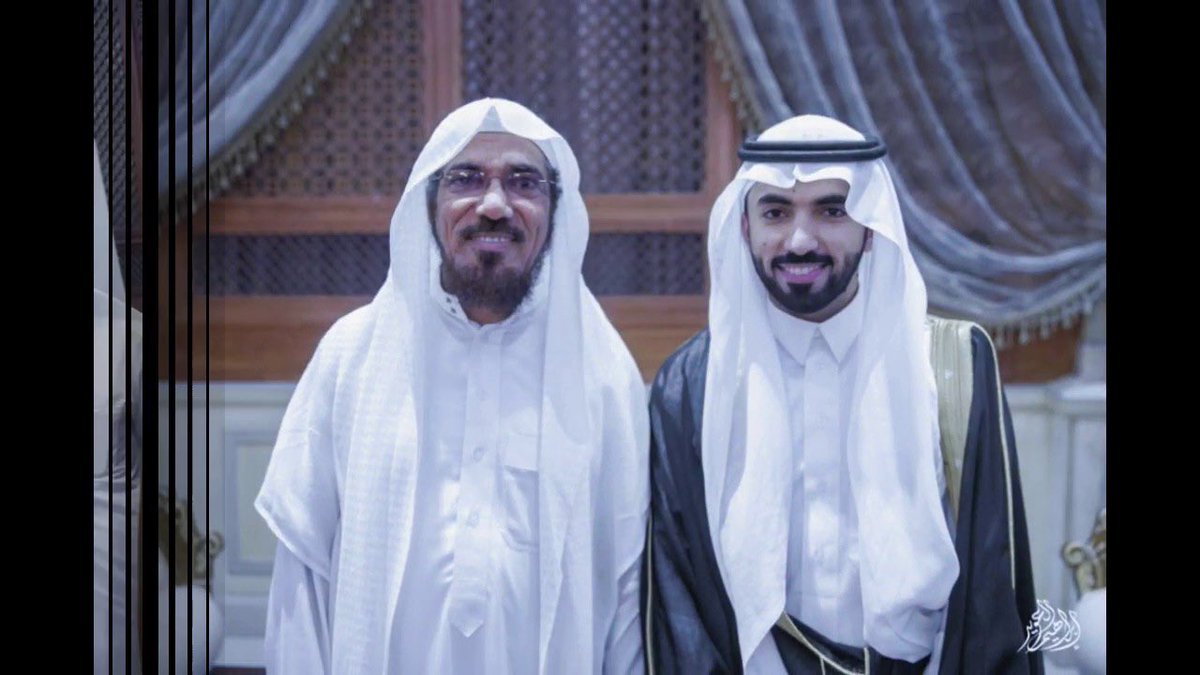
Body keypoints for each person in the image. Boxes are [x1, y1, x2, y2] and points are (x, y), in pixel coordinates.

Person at [257, 99, 649, 674]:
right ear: (430, 205)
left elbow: (627, 585)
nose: (494, 205)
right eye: (465, 179)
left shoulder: (602, 370)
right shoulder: (354, 355)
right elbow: (302, 567)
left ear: (554, 213)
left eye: (524, 183)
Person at [641, 114, 1042, 674]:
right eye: (776, 213)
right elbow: (678, 600)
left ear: (871, 227)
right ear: (744, 227)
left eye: (832, 211)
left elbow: (993, 581)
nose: (800, 241)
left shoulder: (953, 363)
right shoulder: (691, 384)